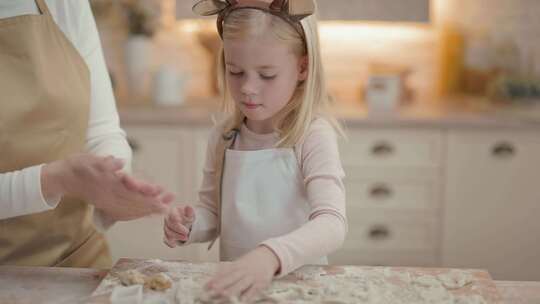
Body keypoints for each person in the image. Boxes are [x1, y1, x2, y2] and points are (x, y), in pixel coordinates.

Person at [163, 0, 347, 301]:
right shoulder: (224, 136)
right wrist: (190, 225)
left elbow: (332, 224)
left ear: (303, 67)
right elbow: (213, 213)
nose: (248, 87)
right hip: (237, 291)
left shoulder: (312, 135)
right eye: (235, 71)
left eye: (267, 75)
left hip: (300, 291)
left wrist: (269, 256)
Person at [0, 0, 173, 268]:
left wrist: (116, 183)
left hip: (76, 260)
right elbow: (60, 178)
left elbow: (101, 131)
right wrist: (51, 180)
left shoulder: (65, 4)